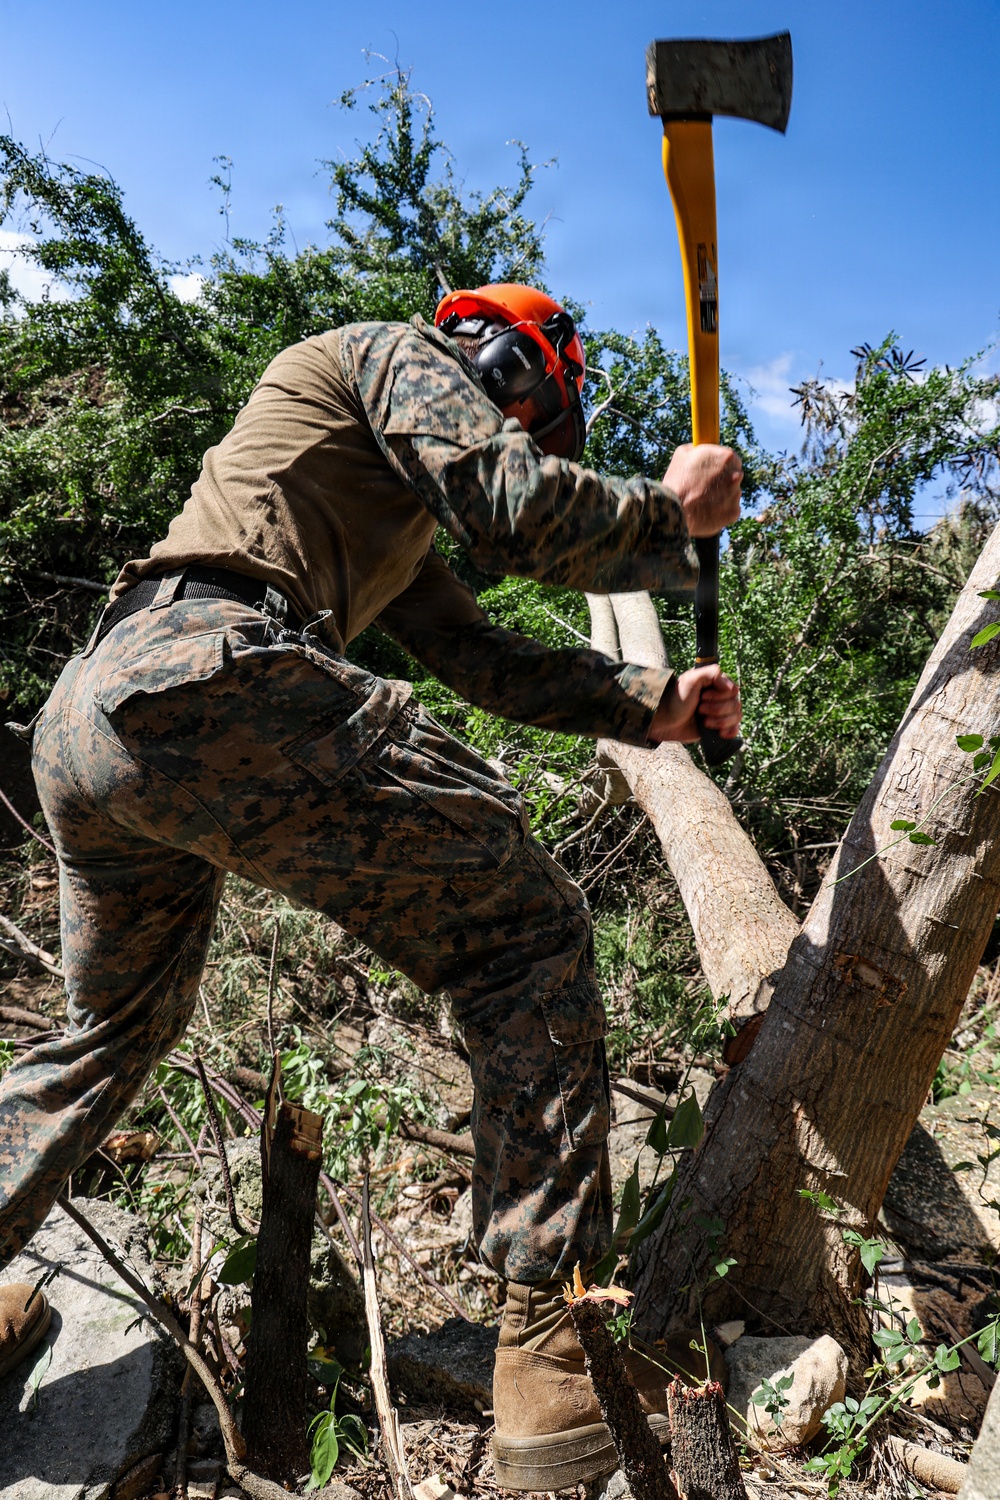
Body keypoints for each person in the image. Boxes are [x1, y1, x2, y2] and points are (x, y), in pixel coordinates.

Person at [0, 282, 741, 1489]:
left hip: (96, 718)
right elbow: (511, 510)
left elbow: (482, 656)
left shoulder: (385, 513)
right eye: (529, 406)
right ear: (499, 357)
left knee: (107, 1035)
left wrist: (646, 704)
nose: (519, 430)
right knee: (525, 935)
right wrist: (670, 512)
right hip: (212, 668)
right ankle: (550, 1352)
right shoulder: (384, 350)